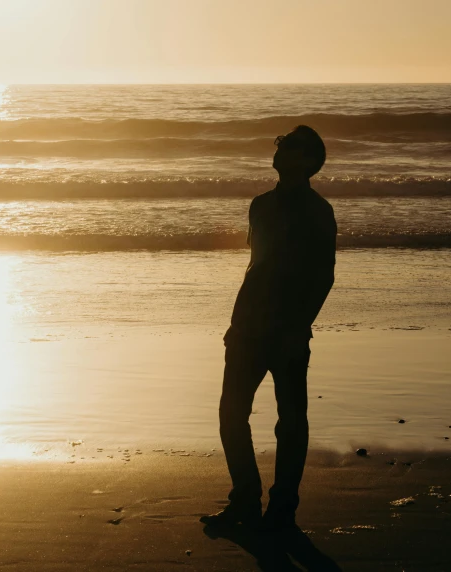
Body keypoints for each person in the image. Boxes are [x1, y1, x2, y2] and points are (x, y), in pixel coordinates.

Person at [201, 125, 337, 532]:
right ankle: (245, 498)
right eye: (280, 147)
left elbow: (323, 277)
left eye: (290, 149)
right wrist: (235, 321)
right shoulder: (259, 205)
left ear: (308, 161)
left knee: (291, 420)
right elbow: (255, 267)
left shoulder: (317, 211)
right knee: (231, 414)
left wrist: (299, 327)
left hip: (289, 329)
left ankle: (282, 509)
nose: (279, 153)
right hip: (248, 325)